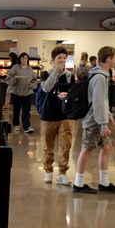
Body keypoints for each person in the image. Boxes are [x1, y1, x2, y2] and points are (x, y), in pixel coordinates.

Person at [72, 46, 115, 194]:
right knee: (87, 149)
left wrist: (109, 116)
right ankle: (78, 183)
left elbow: (103, 101)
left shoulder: (102, 75)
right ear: (108, 59)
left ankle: (104, 182)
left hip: (99, 121)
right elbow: (98, 102)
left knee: (106, 148)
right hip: (94, 122)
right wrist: (103, 125)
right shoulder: (100, 77)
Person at [40, 46, 76, 185]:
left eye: (64, 58)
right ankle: (48, 171)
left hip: (65, 115)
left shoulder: (70, 75)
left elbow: (73, 93)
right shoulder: (46, 73)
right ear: (53, 60)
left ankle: (62, 172)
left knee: (65, 145)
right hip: (48, 114)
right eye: (59, 58)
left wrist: (68, 96)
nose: (62, 60)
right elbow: (46, 88)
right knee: (48, 145)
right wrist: (56, 71)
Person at [6, 52, 38, 133]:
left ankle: (26, 127)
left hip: (28, 93)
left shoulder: (30, 69)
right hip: (17, 93)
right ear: (19, 59)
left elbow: (35, 81)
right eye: (22, 58)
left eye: (26, 58)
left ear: (28, 60)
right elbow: (8, 79)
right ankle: (16, 125)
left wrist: (31, 85)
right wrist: (15, 79)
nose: (24, 60)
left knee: (26, 111)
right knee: (16, 110)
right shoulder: (15, 67)